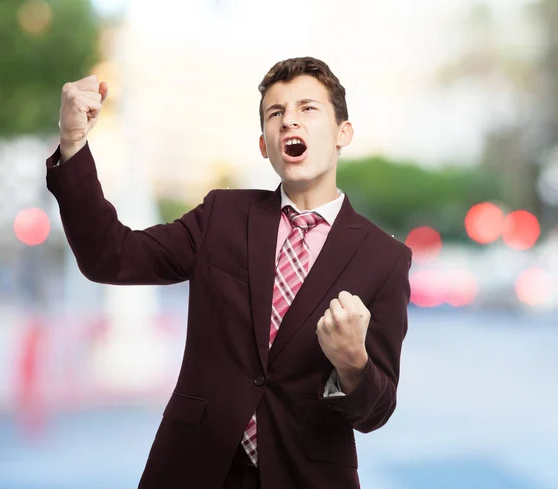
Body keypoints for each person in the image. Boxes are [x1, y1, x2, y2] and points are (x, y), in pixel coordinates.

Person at [46, 56, 412, 489]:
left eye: (307, 109)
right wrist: (72, 143)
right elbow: (111, 256)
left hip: (306, 476)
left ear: (342, 133)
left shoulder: (385, 259)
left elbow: (377, 410)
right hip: (191, 468)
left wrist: (353, 362)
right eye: (276, 114)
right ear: (264, 144)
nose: (289, 122)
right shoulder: (221, 215)